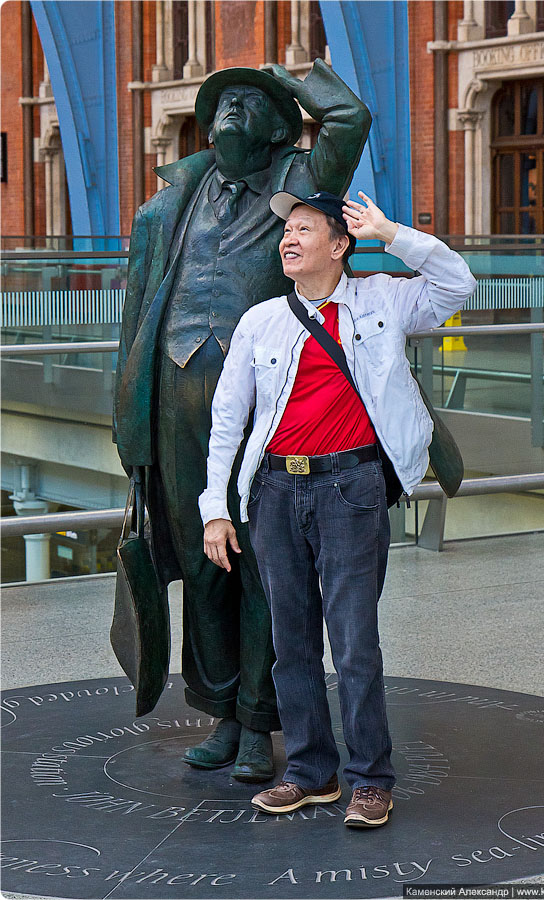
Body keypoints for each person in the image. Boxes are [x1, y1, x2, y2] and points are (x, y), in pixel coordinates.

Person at [113, 61, 370, 783]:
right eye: (222, 101)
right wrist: (127, 423)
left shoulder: (299, 184)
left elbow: (349, 120)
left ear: (280, 125)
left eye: (247, 102)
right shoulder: (168, 206)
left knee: (265, 565)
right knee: (203, 565)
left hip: (263, 401)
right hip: (172, 399)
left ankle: (262, 720)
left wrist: (288, 74)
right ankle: (222, 709)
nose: (230, 110)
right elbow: (133, 318)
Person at [199, 189, 477, 826]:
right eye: (285, 231)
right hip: (273, 492)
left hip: (348, 489)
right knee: (289, 644)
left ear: (339, 245)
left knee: (354, 644)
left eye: (303, 229)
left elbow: (457, 282)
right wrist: (215, 505)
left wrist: (391, 232)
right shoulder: (261, 320)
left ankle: (370, 777)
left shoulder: (382, 299)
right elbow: (226, 419)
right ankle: (310, 771)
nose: (288, 240)